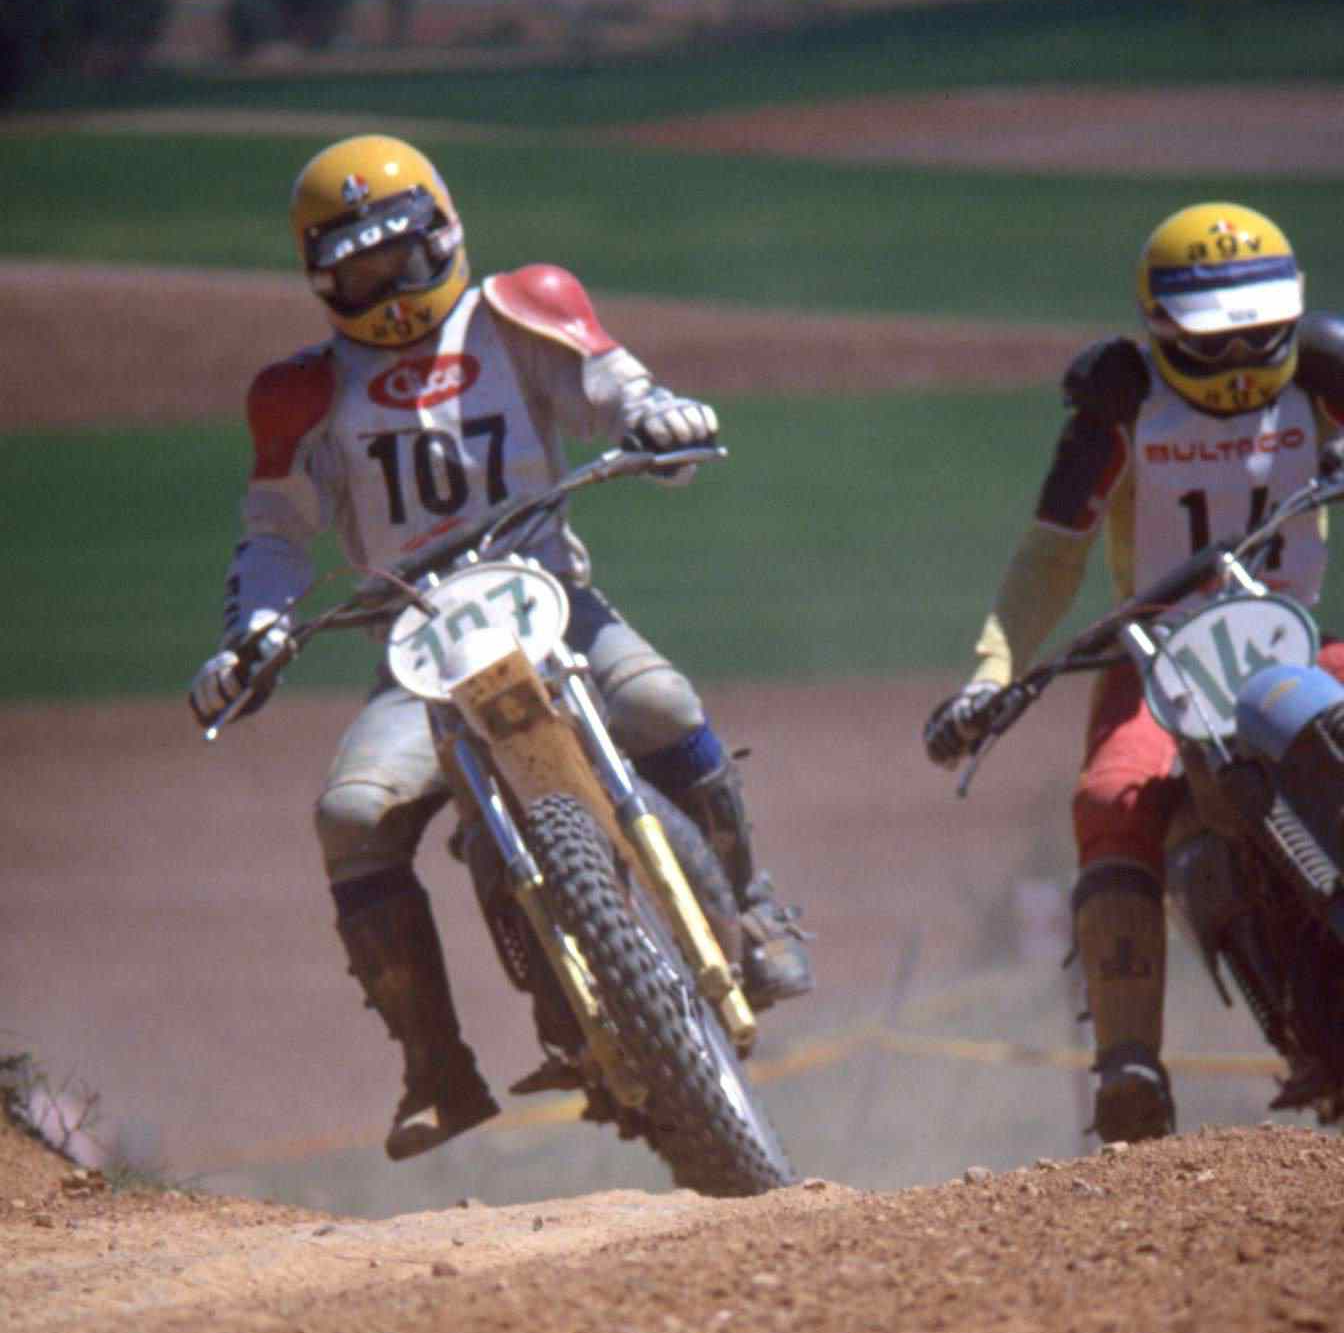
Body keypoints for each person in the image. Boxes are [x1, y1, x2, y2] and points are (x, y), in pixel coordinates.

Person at [190, 133, 812, 1160]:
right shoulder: (298, 395)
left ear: (444, 233)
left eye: (401, 256)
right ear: (320, 278)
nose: (389, 289)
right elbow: (274, 536)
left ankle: (753, 909)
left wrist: (660, 419)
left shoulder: (523, 309)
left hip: (553, 603)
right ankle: (435, 1066)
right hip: (419, 649)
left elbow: (616, 387)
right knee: (352, 815)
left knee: (660, 704)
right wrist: (252, 631)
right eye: (360, 271)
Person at [924, 201, 1344, 1144]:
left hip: (1292, 638)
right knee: (1111, 796)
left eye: (1259, 335)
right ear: (1161, 328)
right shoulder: (1120, 404)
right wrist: (992, 674)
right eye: (1215, 340)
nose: (1241, 362)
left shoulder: (1326, 374)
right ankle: (1130, 1069)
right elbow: (1051, 554)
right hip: (1159, 659)